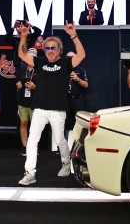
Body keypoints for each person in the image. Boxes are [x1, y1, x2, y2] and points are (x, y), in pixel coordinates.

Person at [17, 20, 86, 186]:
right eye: (46, 48)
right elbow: (21, 55)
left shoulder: (65, 63)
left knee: (59, 139)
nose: (49, 51)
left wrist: (73, 36)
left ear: (59, 50)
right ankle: (30, 173)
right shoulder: (39, 62)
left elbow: (82, 55)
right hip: (40, 107)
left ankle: (65, 163)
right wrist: (24, 36)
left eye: (52, 48)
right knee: (33, 140)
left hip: (58, 109)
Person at [15, 48, 38, 157]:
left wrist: (35, 87)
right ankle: (25, 147)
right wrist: (18, 85)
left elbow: (46, 86)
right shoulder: (21, 68)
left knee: (35, 126)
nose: (31, 58)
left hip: (35, 102)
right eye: (29, 56)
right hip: (22, 100)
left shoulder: (39, 69)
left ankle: (33, 148)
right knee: (23, 123)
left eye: (33, 56)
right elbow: (17, 82)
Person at [64, 51, 88, 142]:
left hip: (77, 99)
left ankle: (79, 145)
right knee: (63, 123)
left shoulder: (80, 70)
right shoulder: (62, 70)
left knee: (80, 122)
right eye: (68, 58)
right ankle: (63, 147)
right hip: (65, 100)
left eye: (72, 57)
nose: (70, 59)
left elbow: (86, 85)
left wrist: (77, 79)